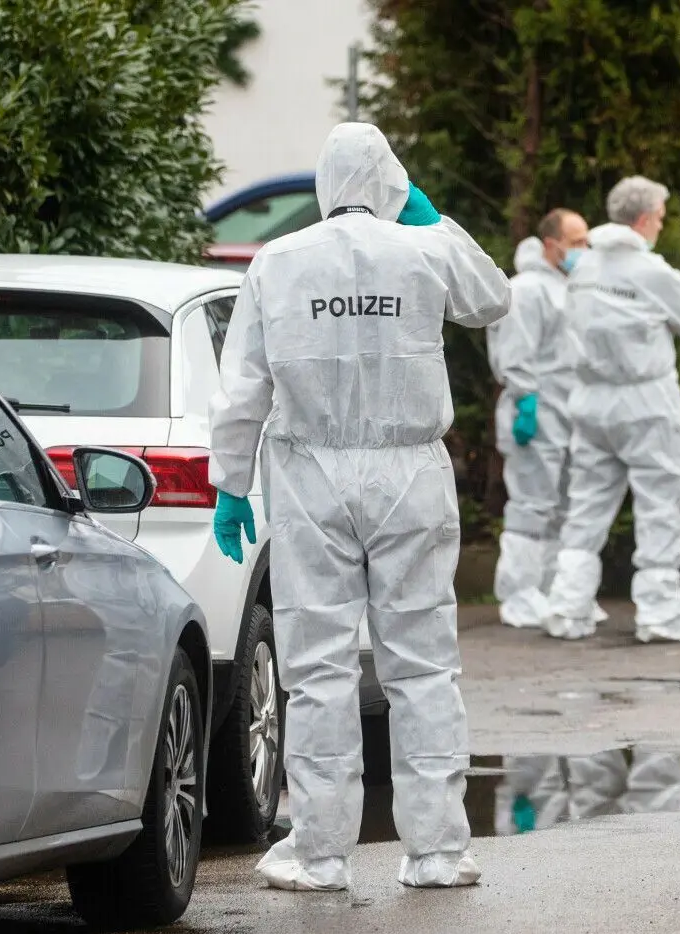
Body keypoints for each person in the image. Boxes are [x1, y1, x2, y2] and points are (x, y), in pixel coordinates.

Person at [208, 123, 512, 891]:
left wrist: (230, 481)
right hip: (410, 470)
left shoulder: (277, 261)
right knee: (423, 665)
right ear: (393, 181)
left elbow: (244, 384)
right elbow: (493, 298)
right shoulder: (424, 249)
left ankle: (319, 850)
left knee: (317, 668)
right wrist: (430, 217)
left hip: (310, 473)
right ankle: (440, 849)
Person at [542, 176, 680, 643]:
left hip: (591, 400)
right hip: (646, 400)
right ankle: (658, 613)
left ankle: (567, 606)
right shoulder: (652, 271)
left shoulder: (583, 267)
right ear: (643, 219)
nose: (661, 223)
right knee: (659, 505)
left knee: (587, 506)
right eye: (659, 215)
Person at [488, 209, 589, 628]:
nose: (585, 249)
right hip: (537, 407)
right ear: (552, 243)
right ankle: (520, 593)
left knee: (565, 504)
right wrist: (525, 398)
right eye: (578, 240)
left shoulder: (567, 286)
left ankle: (554, 590)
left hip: (569, 409)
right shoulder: (528, 289)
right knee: (532, 503)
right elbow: (516, 351)